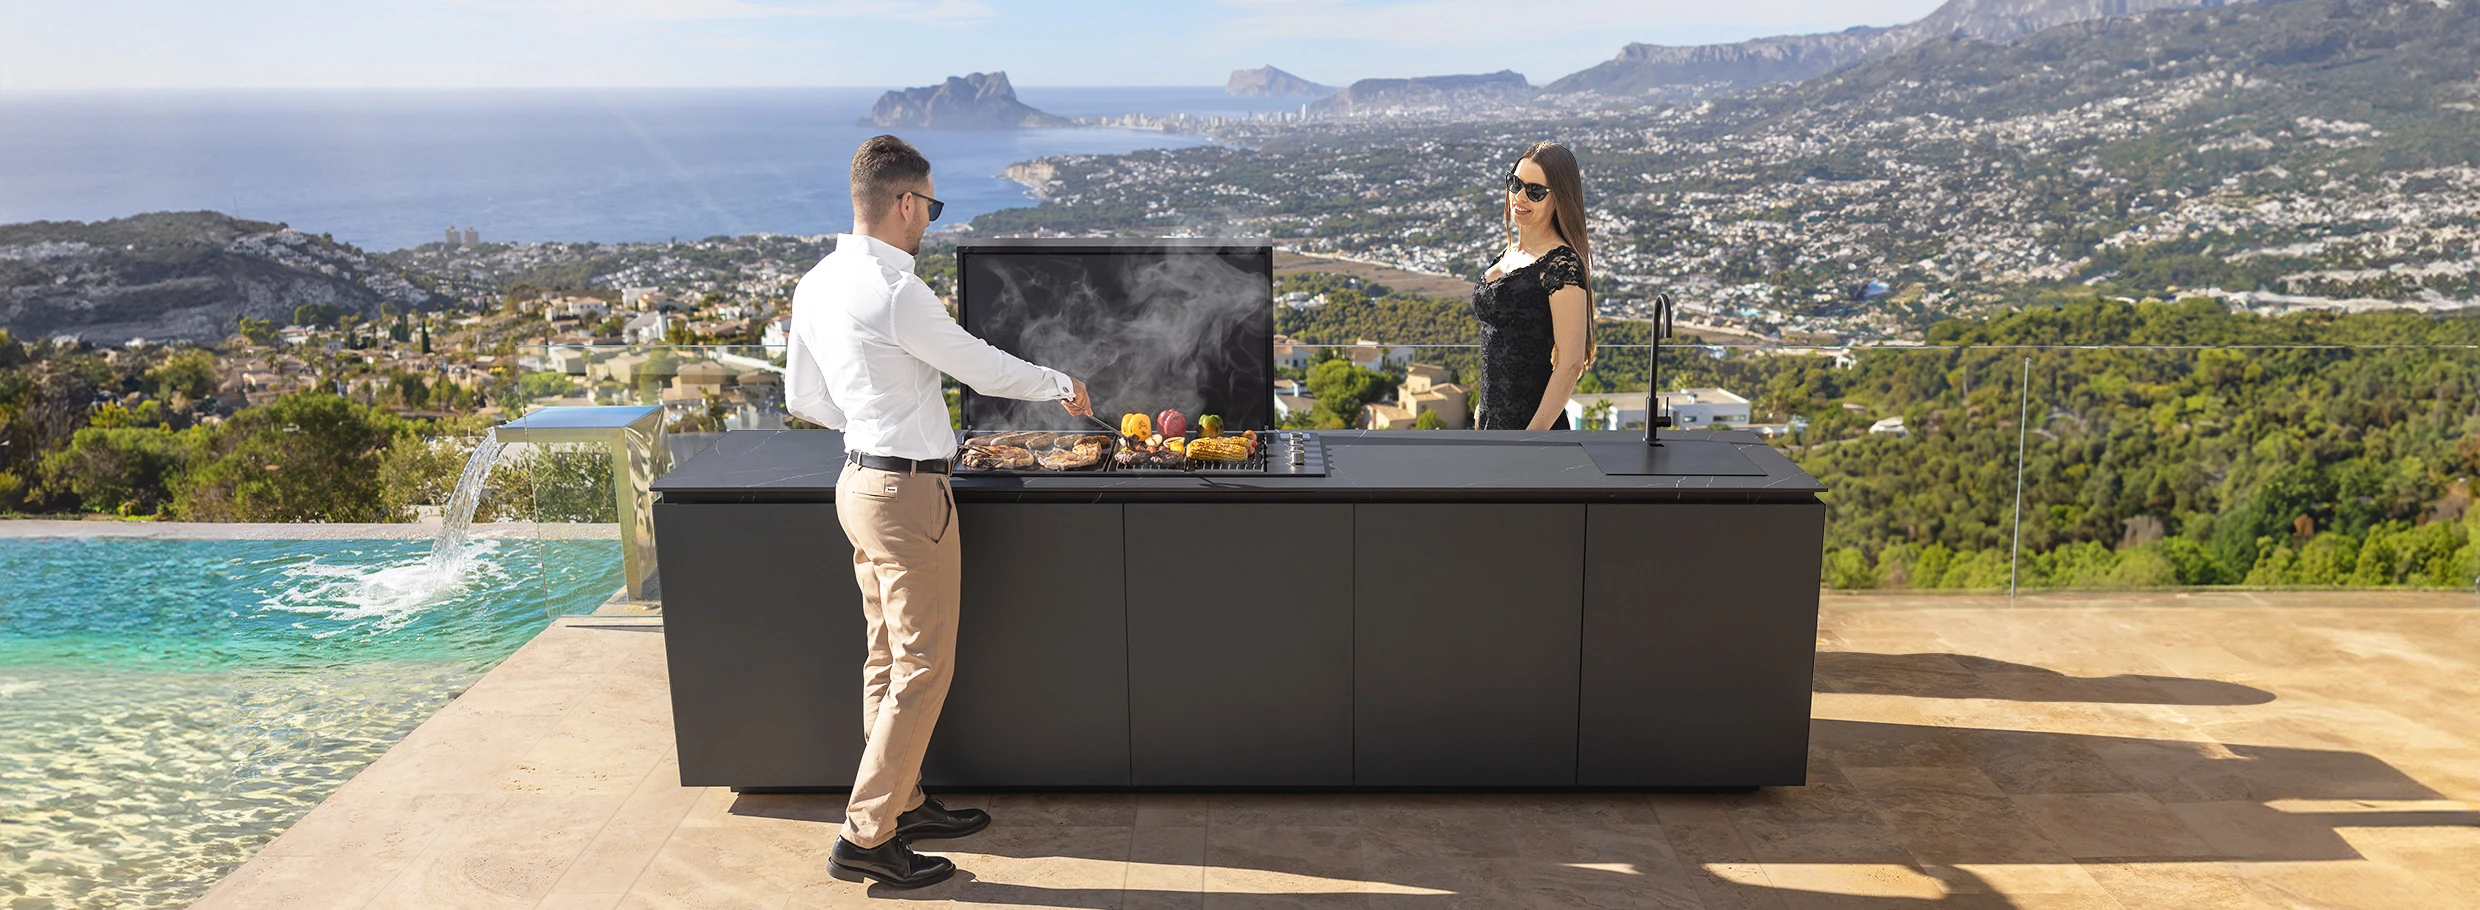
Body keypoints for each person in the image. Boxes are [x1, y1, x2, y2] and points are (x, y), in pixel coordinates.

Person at [783, 134, 1092, 889]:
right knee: (922, 667)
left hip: (858, 483)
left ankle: (904, 802)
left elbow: (802, 399)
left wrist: (870, 417)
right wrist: (1060, 382)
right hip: (907, 492)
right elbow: (977, 361)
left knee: (887, 656)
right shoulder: (895, 290)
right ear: (901, 202)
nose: (930, 219)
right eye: (929, 205)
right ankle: (866, 834)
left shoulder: (817, 282)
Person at [1471, 141, 1596, 430]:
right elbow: (1497, 345)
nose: (1519, 197)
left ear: (1559, 199)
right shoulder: (1509, 254)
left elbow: (1570, 364)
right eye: (1515, 183)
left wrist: (1530, 439)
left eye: (1535, 191)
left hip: (1531, 430)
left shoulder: (1562, 266)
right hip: (1492, 424)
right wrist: (1481, 410)